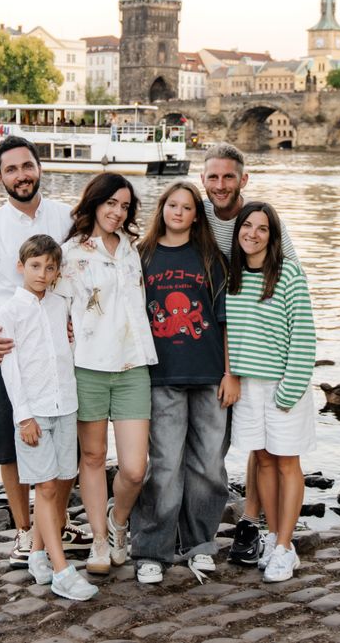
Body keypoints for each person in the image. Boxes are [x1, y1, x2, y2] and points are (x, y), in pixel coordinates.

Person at [0, 135, 89, 567]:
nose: (21, 175)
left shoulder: (66, 218)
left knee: (64, 438)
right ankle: (22, 531)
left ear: (40, 168)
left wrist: (78, 320)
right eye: (11, 169)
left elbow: (80, 277)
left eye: (27, 166)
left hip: (60, 352)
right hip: (10, 350)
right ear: (0, 177)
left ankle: (55, 524)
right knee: (11, 442)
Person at [200, 143, 297, 566]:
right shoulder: (198, 214)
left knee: (262, 445)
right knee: (226, 439)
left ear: (244, 178)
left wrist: (288, 356)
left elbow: (291, 278)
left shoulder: (259, 219)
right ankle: (198, 521)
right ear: (203, 179)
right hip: (209, 335)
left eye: (228, 177)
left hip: (252, 344)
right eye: (213, 177)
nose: (221, 185)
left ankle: (252, 521)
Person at [131, 181, 233, 585]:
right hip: (162, 376)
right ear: (162, 209)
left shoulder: (211, 258)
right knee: (165, 466)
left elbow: (225, 323)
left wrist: (230, 373)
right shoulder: (142, 255)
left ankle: (199, 544)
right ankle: (151, 550)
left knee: (209, 466)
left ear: (195, 215)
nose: (178, 212)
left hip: (209, 377)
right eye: (172, 205)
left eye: (187, 207)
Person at [58, 172, 158, 575]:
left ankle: (119, 522)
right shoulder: (70, 254)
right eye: (111, 203)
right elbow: (56, 310)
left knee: (134, 468)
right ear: (95, 202)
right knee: (94, 456)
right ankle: (99, 540)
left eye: (125, 206)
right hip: (88, 367)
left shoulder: (135, 250)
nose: (118, 212)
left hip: (134, 365)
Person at [0, 234, 98, 601]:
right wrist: (24, 417)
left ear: (57, 272)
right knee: (46, 488)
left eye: (49, 267)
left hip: (65, 405)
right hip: (34, 412)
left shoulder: (60, 305)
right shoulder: (10, 311)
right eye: (35, 266)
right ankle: (62, 571)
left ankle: (38, 554)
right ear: (21, 267)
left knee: (61, 480)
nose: (42, 273)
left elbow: (68, 347)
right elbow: (10, 368)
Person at [226, 201, 316, 584]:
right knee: (262, 461)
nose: (253, 234)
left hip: (283, 384)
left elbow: (304, 337)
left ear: (272, 235)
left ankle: (284, 546)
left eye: (262, 228)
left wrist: (289, 390)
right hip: (248, 387)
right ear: (238, 232)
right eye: (247, 226)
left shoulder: (288, 274)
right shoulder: (231, 276)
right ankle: (276, 538)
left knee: (286, 463)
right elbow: (228, 333)